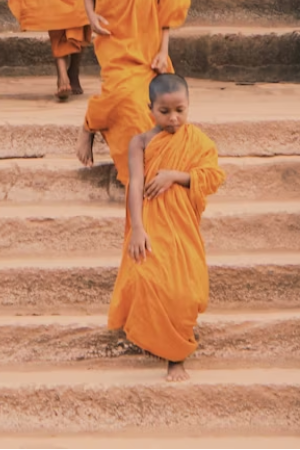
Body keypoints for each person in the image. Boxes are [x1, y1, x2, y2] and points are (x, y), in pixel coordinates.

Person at [108, 73, 225, 381]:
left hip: (182, 222)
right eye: (165, 111)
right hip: (151, 219)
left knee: (186, 289)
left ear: (188, 107)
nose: (173, 118)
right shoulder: (141, 142)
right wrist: (137, 228)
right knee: (148, 275)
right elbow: (135, 185)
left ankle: (178, 353)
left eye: (180, 110)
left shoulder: (197, 141)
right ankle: (165, 347)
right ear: (151, 110)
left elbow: (212, 177)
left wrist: (174, 175)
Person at [76, 0, 190, 183]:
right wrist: (91, 16)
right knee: (120, 96)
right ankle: (89, 126)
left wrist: (164, 51)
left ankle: (146, 171)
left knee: (145, 108)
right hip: (115, 43)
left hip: (149, 47)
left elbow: (169, 8)